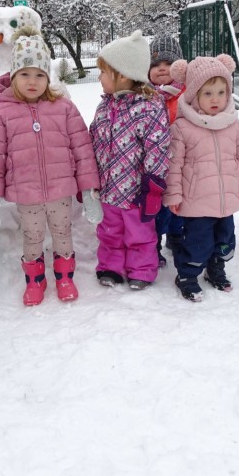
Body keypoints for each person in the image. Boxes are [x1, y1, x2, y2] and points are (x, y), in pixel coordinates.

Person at [0, 27, 102, 306]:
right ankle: (35, 281)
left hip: (60, 191)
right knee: (32, 236)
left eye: (39, 75)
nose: (32, 81)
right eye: (25, 74)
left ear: (48, 77)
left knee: (63, 233)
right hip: (27, 195)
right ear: (13, 76)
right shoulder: (1, 114)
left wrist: (89, 191)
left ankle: (64, 277)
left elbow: (83, 151)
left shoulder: (64, 108)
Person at [163, 54, 239, 301]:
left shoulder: (233, 125)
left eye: (221, 92)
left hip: (226, 200)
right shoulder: (182, 127)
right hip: (196, 202)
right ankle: (186, 275)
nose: (215, 99)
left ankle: (216, 268)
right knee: (197, 242)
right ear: (193, 95)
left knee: (224, 240)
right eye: (207, 93)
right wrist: (174, 194)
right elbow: (174, 165)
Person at [90, 30, 170, 290]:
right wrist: (90, 178)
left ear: (122, 75)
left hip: (137, 191)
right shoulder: (104, 106)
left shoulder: (149, 106)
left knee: (140, 234)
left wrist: (153, 185)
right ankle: (110, 267)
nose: (99, 77)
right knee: (109, 232)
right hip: (108, 189)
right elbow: (94, 141)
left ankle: (142, 270)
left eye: (103, 72)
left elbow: (158, 147)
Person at [148, 34, 187, 268]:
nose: (162, 69)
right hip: (154, 164)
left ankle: (176, 235)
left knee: (180, 203)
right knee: (157, 207)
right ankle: (154, 242)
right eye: (156, 65)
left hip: (181, 161)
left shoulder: (188, 95)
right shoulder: (145, 96)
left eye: (168, 63)